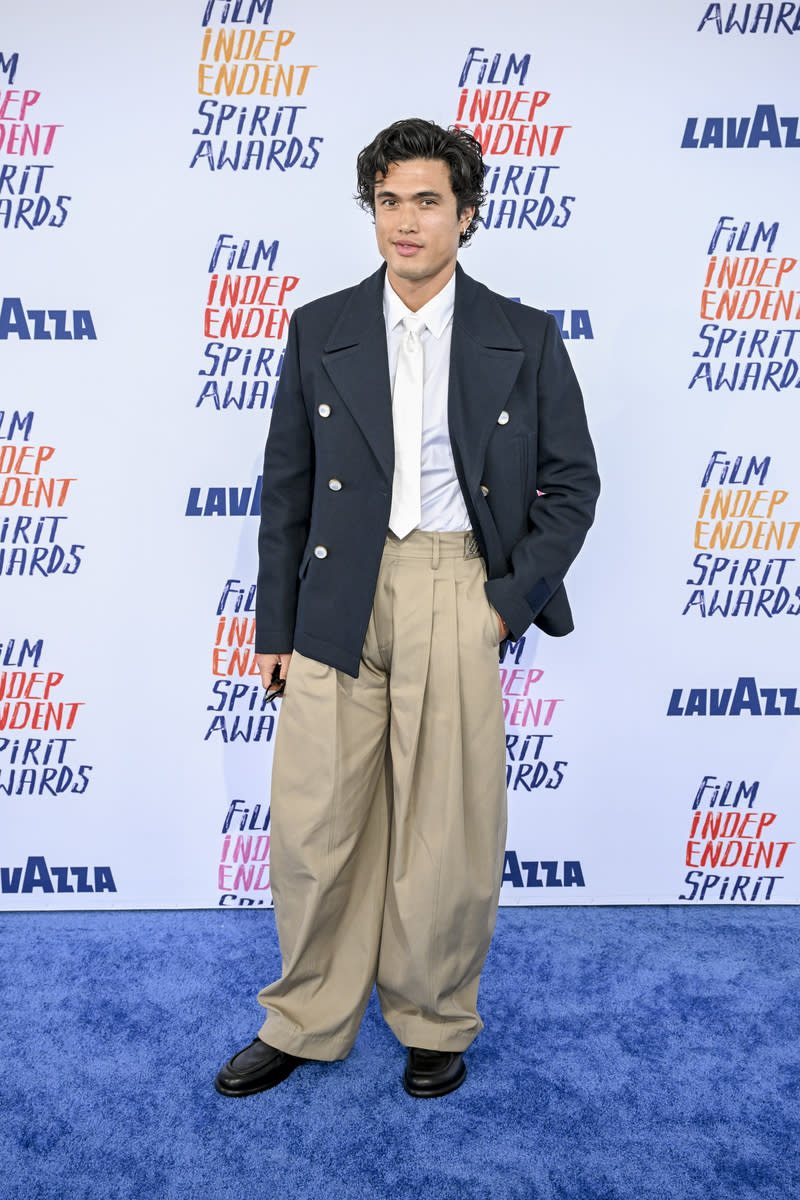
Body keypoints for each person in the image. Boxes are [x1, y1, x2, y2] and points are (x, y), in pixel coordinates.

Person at [214, 117, 599, 1100]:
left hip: (453, 589)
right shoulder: (319, 327)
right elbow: (285, 489)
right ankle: (303, 1018)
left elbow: (571, 483)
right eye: (388, 200)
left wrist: (502, 607)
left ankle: (433, 1017)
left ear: (465, 214)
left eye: (426, 200)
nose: (404, 220)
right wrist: (273, 631)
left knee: (447, 828)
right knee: (313, 823)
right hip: (336, 591)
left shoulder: (525, 335)